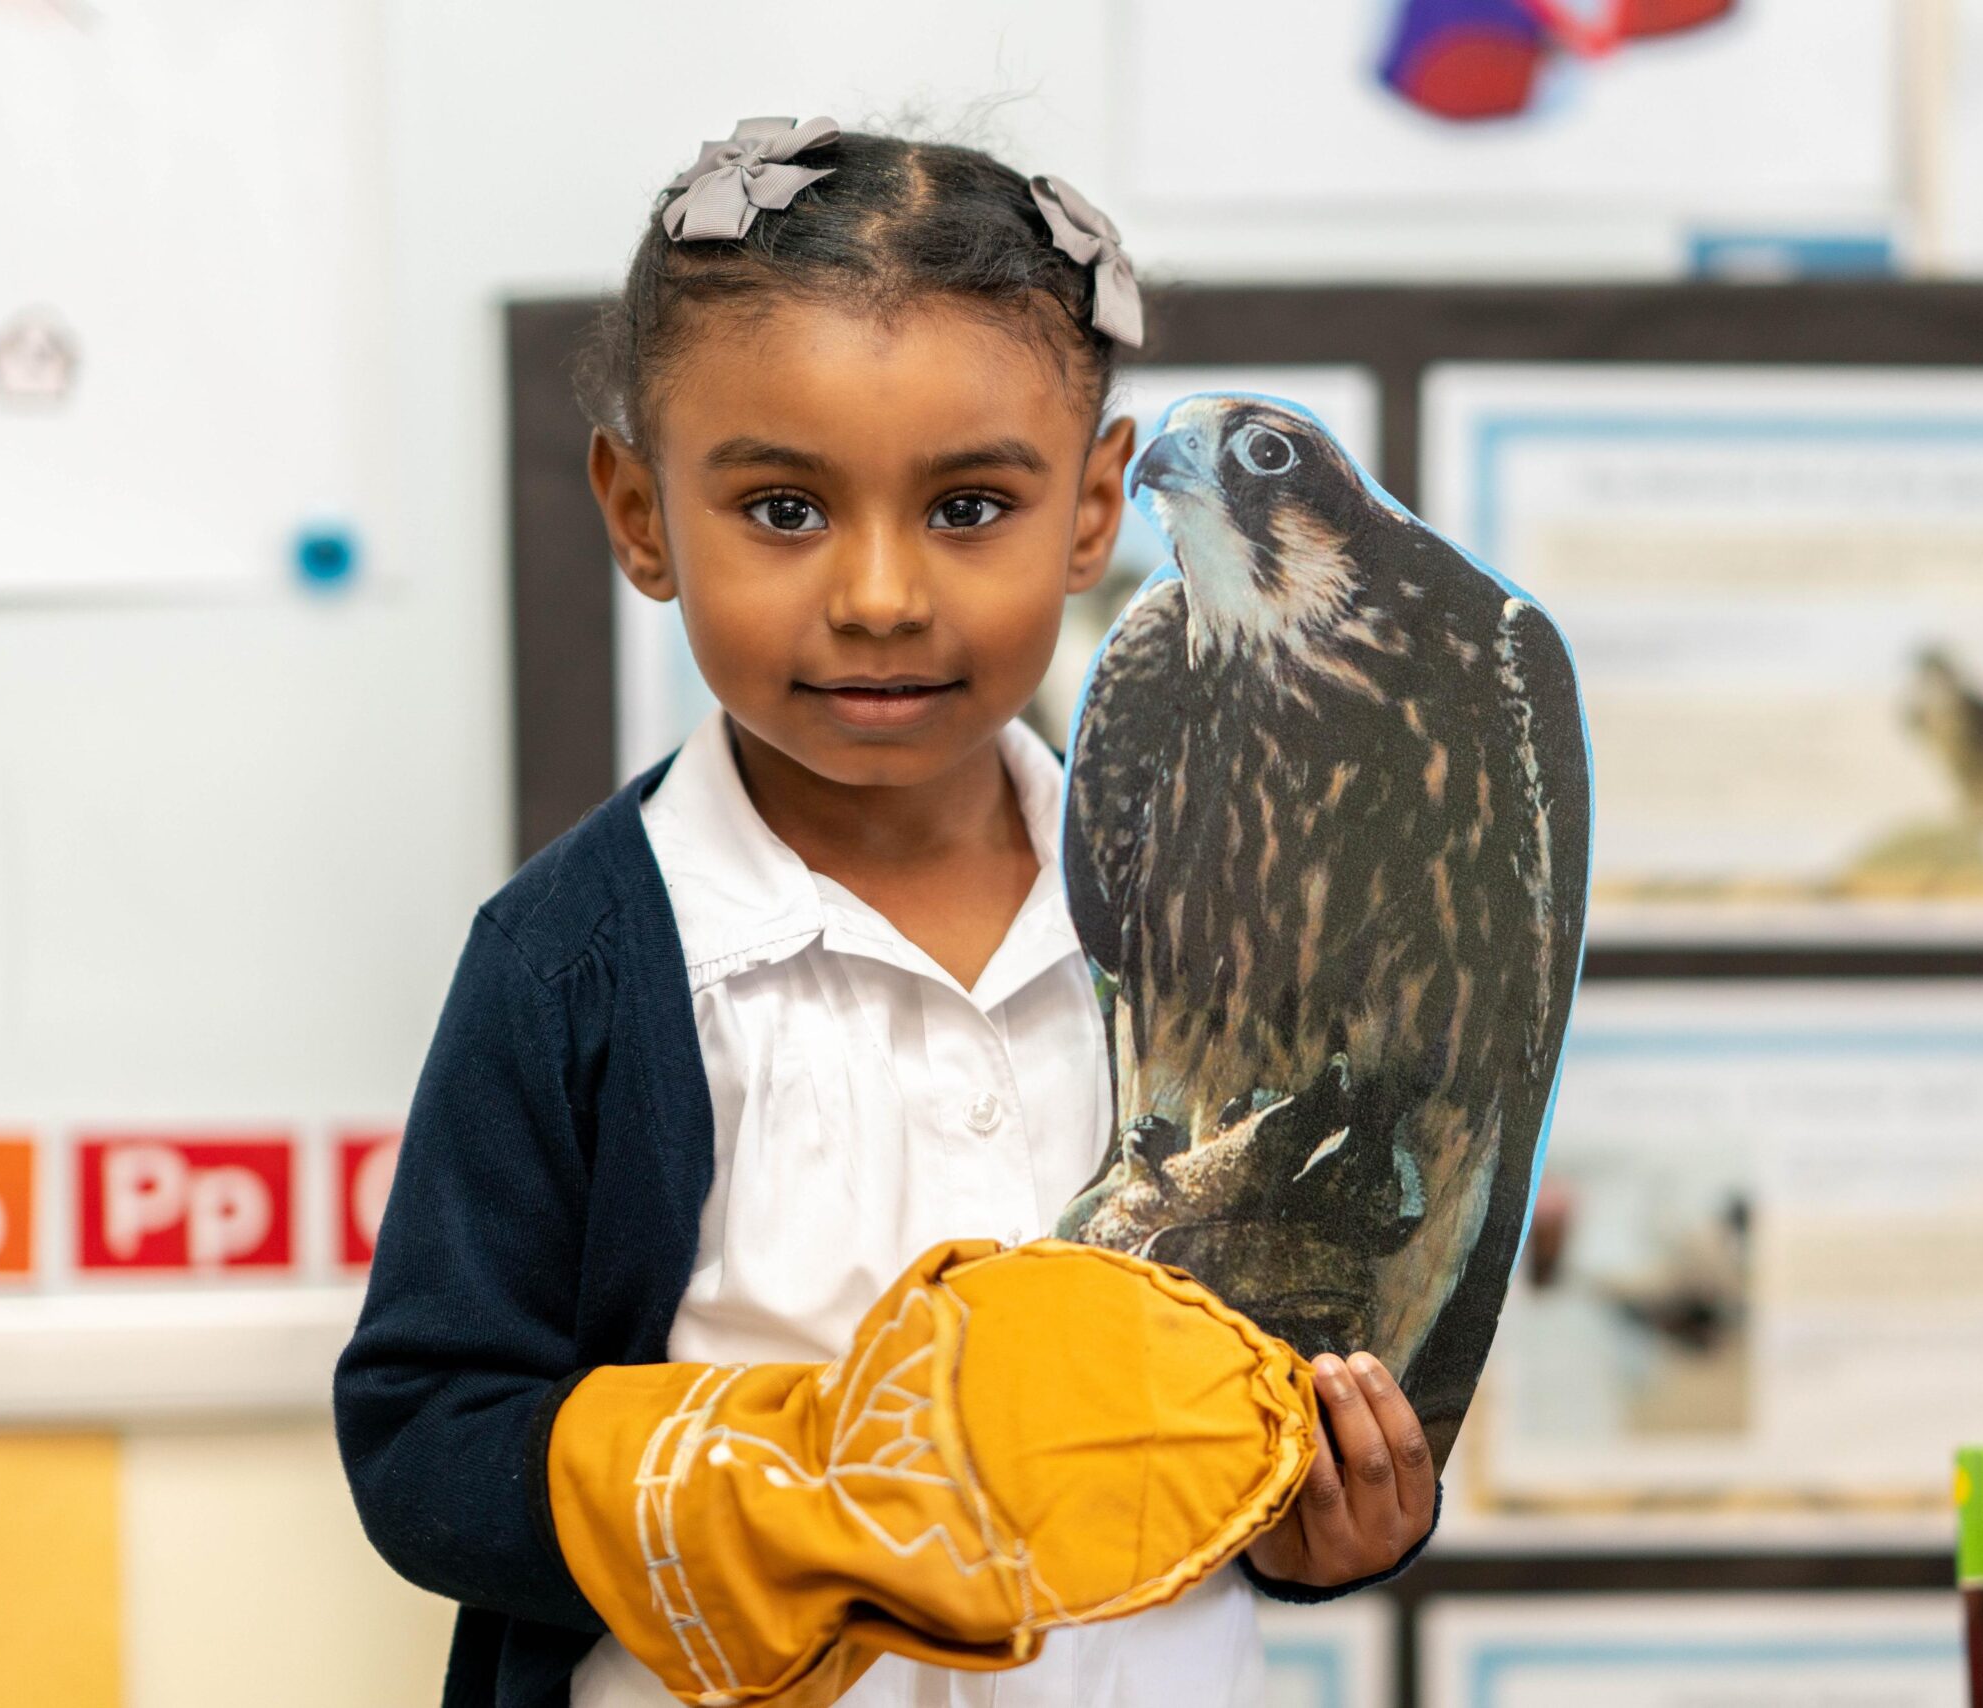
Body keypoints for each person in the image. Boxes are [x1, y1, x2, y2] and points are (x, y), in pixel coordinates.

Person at [333, 120, 1436, 1708]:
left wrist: (1336, 1519)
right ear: (641, 515)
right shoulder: (574, 963)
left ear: (1092, 512)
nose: (878, 595)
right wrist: (795, 1487)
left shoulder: (1226, 923)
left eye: (970, 508)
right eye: (783, 510)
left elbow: (1304, 1371)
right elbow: (427, 1432)